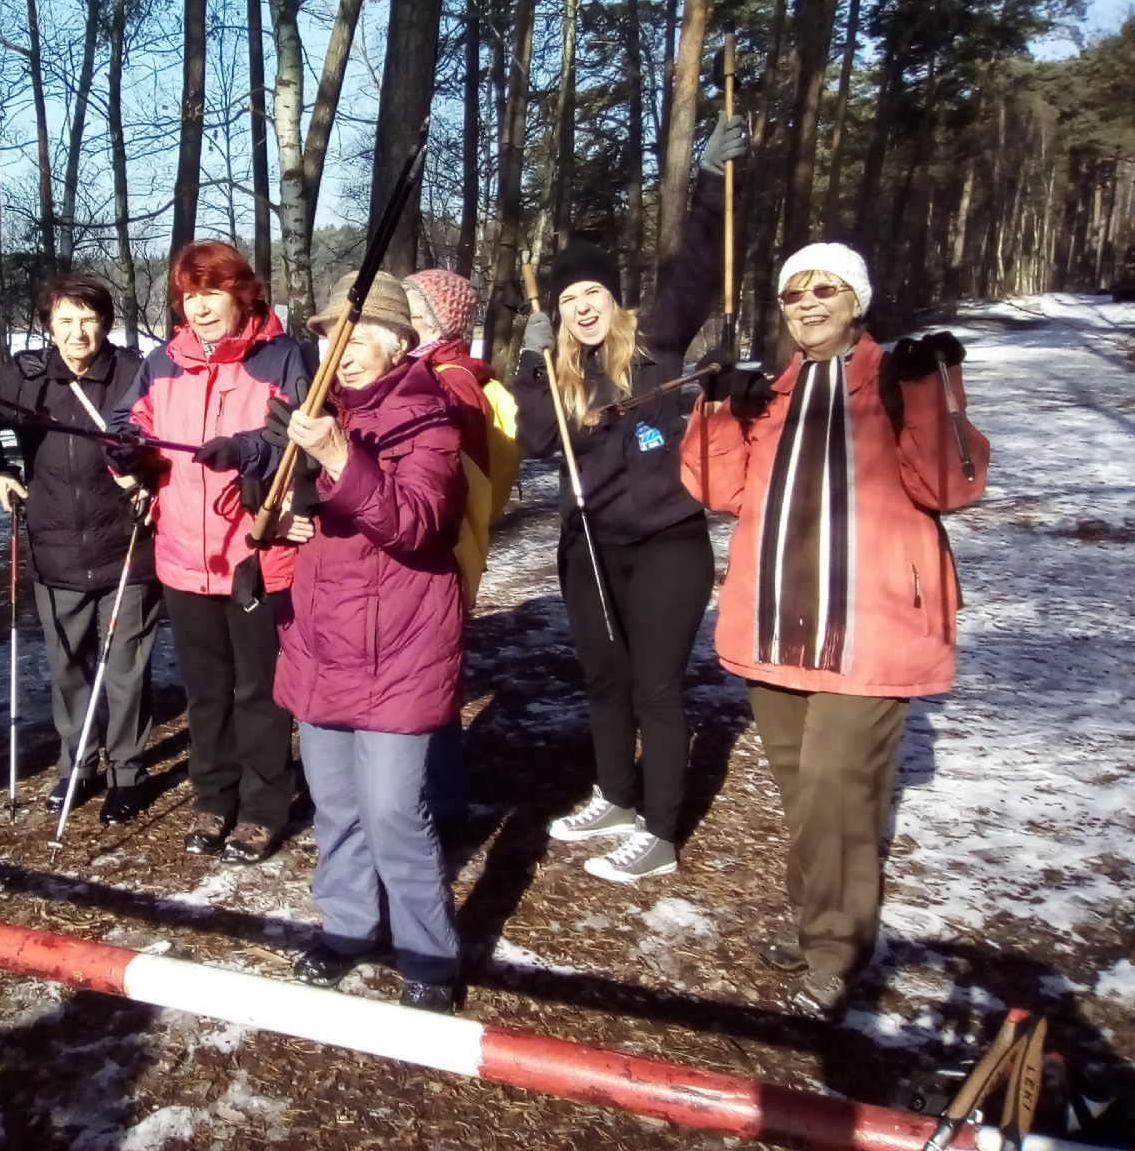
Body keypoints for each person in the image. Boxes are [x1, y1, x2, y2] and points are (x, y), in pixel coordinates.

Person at [681, 243, 988, 1017]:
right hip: (777, 621)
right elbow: (716, 489)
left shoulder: (891, 380)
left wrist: (933, 390)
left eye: (825, 289)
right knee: (801, 790)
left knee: (835, 787)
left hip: (872, 627)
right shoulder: (774, 392)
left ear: (856, 300)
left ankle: (836, 946)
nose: (807, 302)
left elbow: (950, 485)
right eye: (792, 292)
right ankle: (814, 914)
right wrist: (719, 403)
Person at [512, 114, 748, 883]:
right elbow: (539, 441)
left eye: (592, 292)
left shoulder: (657, 345)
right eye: (569, 298)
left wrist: (713, 184)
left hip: (666, 544)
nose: (582, 306)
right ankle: (614, 795)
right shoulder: (561, 372)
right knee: (604, 678)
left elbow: (696, 269)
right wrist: (529, 360)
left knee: (655, 685)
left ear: (612, 298)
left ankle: (660, 830)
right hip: (589, 544)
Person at [273, 272, 466, 1013]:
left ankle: (428, 952)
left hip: (400, 645)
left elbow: (415, 524)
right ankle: (349, 926)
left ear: (398, 341)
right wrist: (284, 507)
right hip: (325, 637)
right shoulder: (326, 411)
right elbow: (298, 505)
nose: (340, 350)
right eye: (328, 335)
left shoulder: (432, 418)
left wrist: (334, 458)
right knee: (336, 804)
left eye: (355, 335)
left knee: (392, 809)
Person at [108, 241, 310, 864]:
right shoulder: (161, 361)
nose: (199, 308)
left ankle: (262, 806)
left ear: (241, 292)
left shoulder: (280, 356)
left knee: (258, 690)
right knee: (206, 689)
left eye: (211, 293)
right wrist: (124, 448)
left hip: (253, 552)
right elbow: (130, 421)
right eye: (190, 296)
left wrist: (246, 449)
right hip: (182, 556)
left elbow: (297, 436)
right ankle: (213, 797)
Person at [0, 273, 159, 824]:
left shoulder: (132, 373)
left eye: (88, 319)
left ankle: (127, 769)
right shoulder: (29, 377)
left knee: (125, 667)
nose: (78, 333)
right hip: (54, 543)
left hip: (127, 543)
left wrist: (148, 479)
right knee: (69, 665)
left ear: (106, 324)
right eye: (65, 321)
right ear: (50, 326)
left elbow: (163, 440)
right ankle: (78, 764)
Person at [401, 268, 490, 831]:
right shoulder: (429, 369)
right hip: (429, 539)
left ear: (437, 321)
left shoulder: (449, 378)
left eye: (412, 312)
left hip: (441, 543)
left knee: (428, 676)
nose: (404, 323)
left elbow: (457, 473)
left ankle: (443, 803)